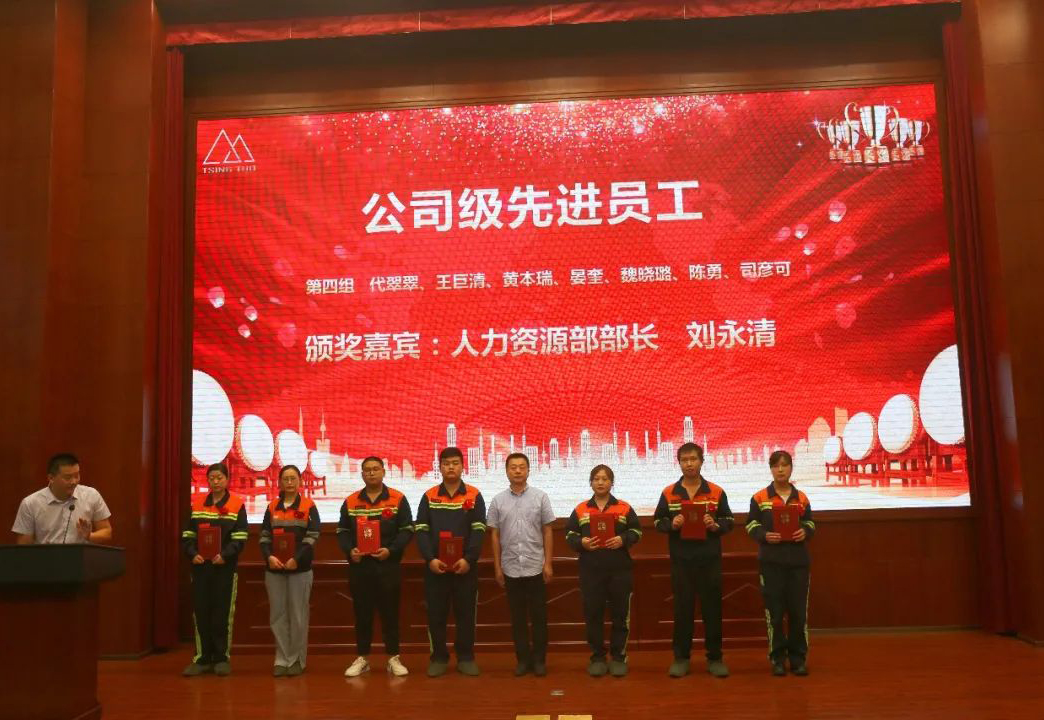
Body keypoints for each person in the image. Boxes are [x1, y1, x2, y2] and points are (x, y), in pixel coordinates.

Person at [653, 442, 734, 679]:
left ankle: (715, 658)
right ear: (679, 463)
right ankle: (681, 658)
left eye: (693, 459)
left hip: (709, 561)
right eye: (684, 460)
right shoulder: (669, 493)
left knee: (712, 610)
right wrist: (672, 524)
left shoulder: (716, 492)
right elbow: (657, 522)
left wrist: (715, 525)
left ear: (701, 461)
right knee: (683, 610)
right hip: (681, 562)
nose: (689, 464)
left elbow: (729, 520)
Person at [413, 446, 487, 677]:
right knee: (436, 614)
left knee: (466, 615)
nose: (451, 467)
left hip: (465, 568)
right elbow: (421, 529)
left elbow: (479, 529)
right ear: (440, 467)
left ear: (463, 466)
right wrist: (430, 559)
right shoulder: (429, 496)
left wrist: (469, 559)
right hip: (436, 568)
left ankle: (466, 657)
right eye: (446, 463)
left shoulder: (474, 495)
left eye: (455, 463)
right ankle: (438, 657)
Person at [337, 456, 413, 678]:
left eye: (375, 469)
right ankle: (363, 658)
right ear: (362, 474)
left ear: (383, 472)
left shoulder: (398, 499)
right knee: (362, 615)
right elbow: (342, 532)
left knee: (390, 614)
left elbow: (407, 530)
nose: (371, 473)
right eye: (367, 470)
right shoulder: (351, 501)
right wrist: (350, 551)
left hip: (388, 566)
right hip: (360, 568)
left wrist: (391, 550)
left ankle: (393, 658)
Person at [565, 464, 641, 677]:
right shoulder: (580, 509)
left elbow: (636, 531)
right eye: (596, 479)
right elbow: (569, 535)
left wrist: (623, 539)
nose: (600, 482)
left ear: (611, 483)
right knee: (593, 615)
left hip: (620, 570)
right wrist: (582, 543)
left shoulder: (624, 508)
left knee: (620, 615)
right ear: (591, 482)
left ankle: (619, 657)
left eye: (605, 479)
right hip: (591, 571)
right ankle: (597, 657)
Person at [745, 450, 816, 676]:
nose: (781, 469)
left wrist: (805, 531)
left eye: (785, 465)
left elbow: (811, 523)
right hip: (771, 563)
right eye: (776, 466)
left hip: (798, 563)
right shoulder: (759, 498)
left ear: (791, 468)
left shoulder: (801, 498)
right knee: (774, 615)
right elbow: (750, 525)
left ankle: (798, 659)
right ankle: (777, 658)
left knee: (798, 614)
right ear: (771, 469)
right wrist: (764, 535)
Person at [487, 453, 555, 676]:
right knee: (517, 619)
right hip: (510, 568)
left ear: (528, 470)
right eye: (513, 467)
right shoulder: (497, 501)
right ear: (506, 471)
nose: (517, 471)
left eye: (522, 467)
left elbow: (547, 531)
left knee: (539, 618)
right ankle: (523, 660)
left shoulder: (541, 497)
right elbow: (495, 535)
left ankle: (539, 661)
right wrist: (497, 567)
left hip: (536, 566)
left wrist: (548, 563)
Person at [180, 461, 248, 677]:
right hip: (201, 568)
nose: (216, 481)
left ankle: (221, 658)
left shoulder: (237, 505)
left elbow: (240, 537)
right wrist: (193, 553)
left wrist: (224, 555)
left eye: (220, 477)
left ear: (227, 480)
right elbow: (187, 535)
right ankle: (202, 658)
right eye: (212, 478)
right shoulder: (198, 503)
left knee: (222, 614)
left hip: (224, 569)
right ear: (208, 480)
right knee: (201, 612)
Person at [259, 464, 321, 677]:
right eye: (285, 479)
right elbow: (264, 536)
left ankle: (296, 660)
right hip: (274, 570)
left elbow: (312, 536)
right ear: (279, 482)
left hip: (300, 570)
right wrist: (269, 557)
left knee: (298, 616)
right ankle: (281, 659)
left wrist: (296, 559)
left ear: (300, 481)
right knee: (277, 615)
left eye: (293, 478)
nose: (289, 482)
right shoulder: (272, 506)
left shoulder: (308, 505)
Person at [12, 453, 112, 544]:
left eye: (77, 475)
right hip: (46, 557)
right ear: (51, 478)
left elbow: (107, 532)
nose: (74, 481)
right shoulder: (30, 503)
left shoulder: (91, 495)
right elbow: (24, 545)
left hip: (81, 557)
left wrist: (89, 536)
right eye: (68, 477)